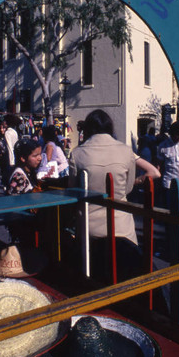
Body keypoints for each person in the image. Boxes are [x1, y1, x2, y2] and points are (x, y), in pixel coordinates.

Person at [69, 109, 139, 283]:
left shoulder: (77, 154)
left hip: (89, 228)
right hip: (122, 226)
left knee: (94, 279)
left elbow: (73, 190)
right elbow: (128, 188)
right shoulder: (126, 151)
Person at [157, 120, 179, 212]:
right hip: (168, 185)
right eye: (178, 134)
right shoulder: (163, 146)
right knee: (170, 212)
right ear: (171, 133)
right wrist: (158, 182)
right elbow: (159, 165)